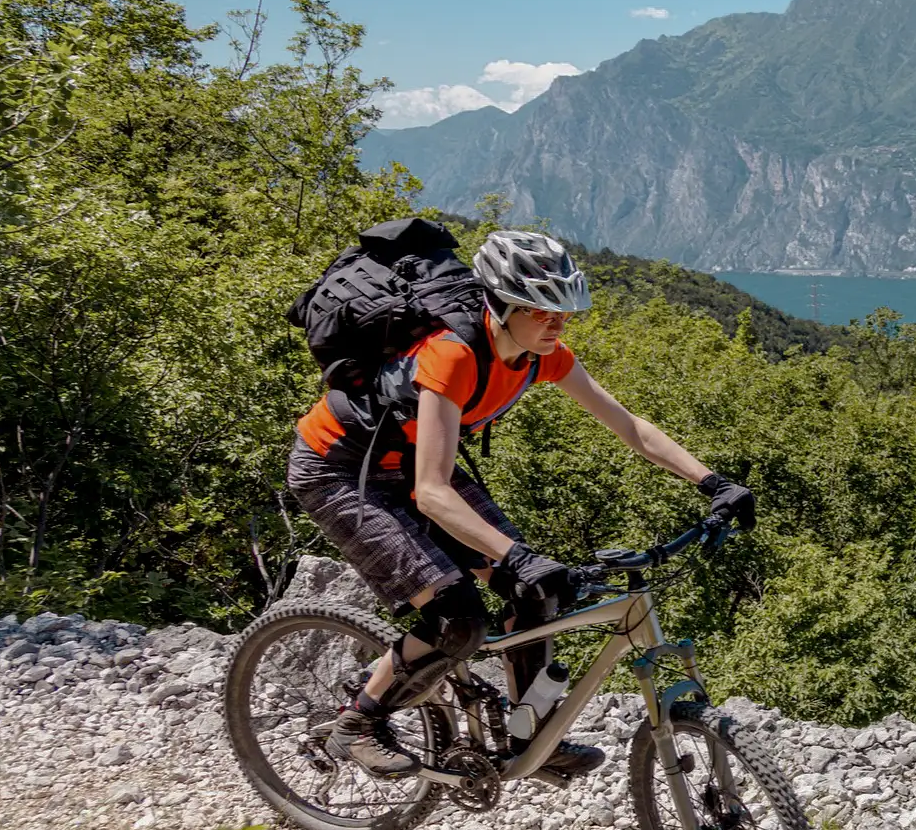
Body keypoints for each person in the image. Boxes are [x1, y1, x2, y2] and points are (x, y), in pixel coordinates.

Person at [285, 229, 754, 779]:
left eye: (563, 310)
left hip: (414, 465)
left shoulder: (541, 356)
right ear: (501, 305)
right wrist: (518, 554)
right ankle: (359, 722)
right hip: (341, 472)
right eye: (540, 310)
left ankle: (531, 733)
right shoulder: (453, 355)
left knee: (532, 591)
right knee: (457, 621)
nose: (557, 322)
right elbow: (433, 495)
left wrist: (713, 482)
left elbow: (630, 427)